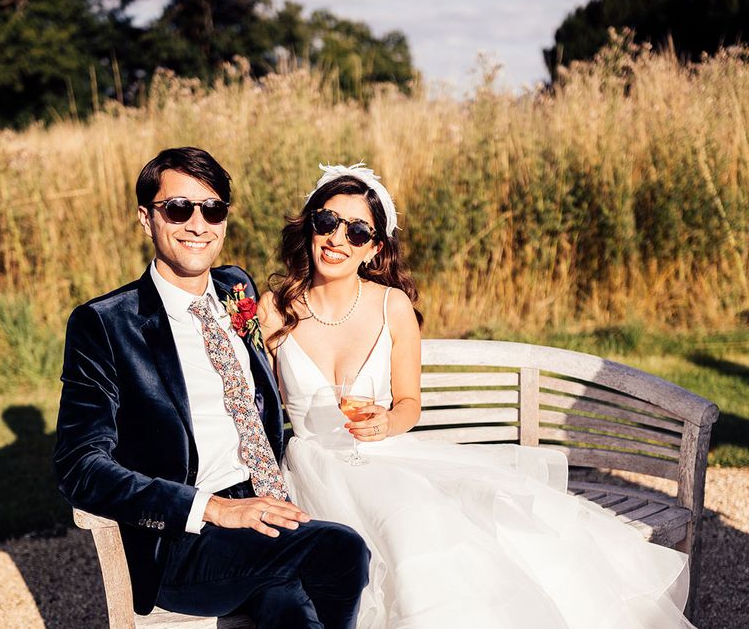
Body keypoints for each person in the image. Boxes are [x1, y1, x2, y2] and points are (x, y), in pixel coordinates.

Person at [258, 163, 695, 629]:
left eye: (357, 230)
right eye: (327, 221)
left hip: (385, 457)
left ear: (373, 248)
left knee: (433, 531)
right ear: (309, 226)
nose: (337, 238)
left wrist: (386, 421)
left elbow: (409, 405)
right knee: (387, 545)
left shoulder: (392, 305)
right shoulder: (272, 309)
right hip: (311, 472)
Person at [54, 147, 370, 629]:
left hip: (272, 508)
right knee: (342, 549)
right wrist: (214, 509)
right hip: (188, 539)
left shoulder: (235, 288)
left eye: (213, 209)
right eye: (178, 208)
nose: (198, 224)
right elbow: (79, 466)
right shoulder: (105, 324)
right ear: (146, 218)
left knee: (292, 613)